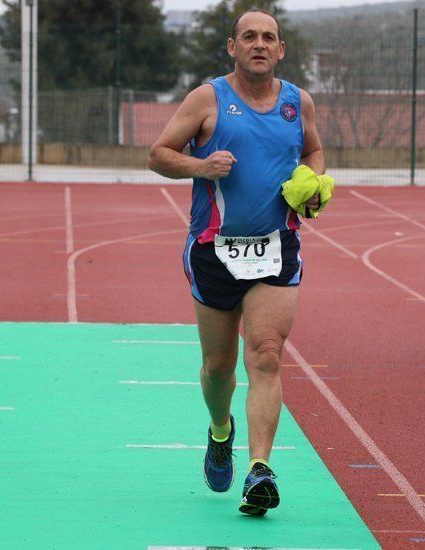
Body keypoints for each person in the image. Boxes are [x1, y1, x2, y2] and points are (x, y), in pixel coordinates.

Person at [148, 8, 326, 516]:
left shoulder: (298, 103)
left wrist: (313, 186)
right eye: (249, 36)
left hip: (276, 245)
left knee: (266, 353)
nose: (259, 44)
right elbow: (159, 153)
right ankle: (220, 430)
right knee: (218, 368)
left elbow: (314, 153)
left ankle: (260, 469)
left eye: (268, 37)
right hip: (213, 250)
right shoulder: (208, 99)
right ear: (232, 46)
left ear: (281, 49)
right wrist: (201, 165)